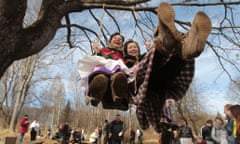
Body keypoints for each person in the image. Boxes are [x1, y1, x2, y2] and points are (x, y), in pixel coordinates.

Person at [79, 32, 129, 111]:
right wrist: (97, 52)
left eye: (120, 39)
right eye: (115, 38)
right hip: (103, 71)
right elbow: (94, 61)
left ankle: (118, 96)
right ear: (110, 41)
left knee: (119, 76)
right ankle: (95, 95)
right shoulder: (103, 51)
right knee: (101, 78)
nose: (117, 40)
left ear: (122, 44)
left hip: (116, 74)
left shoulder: (123, 55)